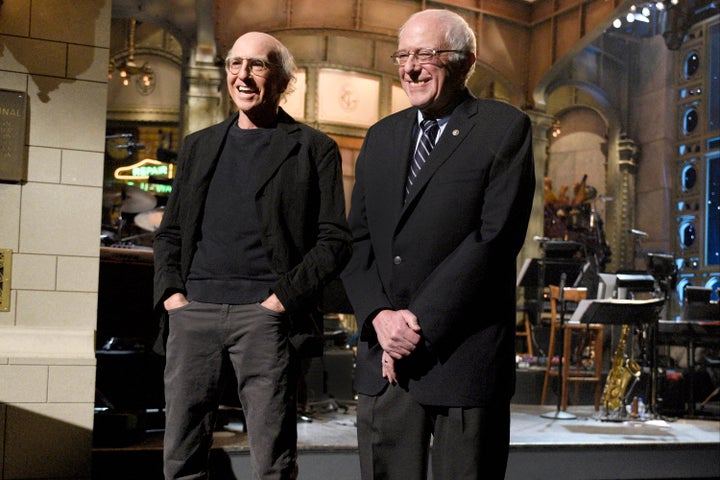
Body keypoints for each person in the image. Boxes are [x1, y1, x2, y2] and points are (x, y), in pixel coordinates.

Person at [341, 9, 535, 480]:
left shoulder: (504, 128)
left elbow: (494, 239)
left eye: (426, 55)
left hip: (463, 362)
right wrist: (380, 319)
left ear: (466, 62)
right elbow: (358, 242)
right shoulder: (380, 137)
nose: (410, 67)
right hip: (387, 367)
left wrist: (417, 325)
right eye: (403, 55)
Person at [153, 31, 352, 479]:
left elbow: (334, 240)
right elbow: (171, 233)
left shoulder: (313, 148)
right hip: (193, 312)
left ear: (282, 80)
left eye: (257, 65)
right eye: (235, 64)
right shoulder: (199, 145)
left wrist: (278, 302)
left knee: (272, 461)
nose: (243, 75)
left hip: (265, 317)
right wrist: (173, 297)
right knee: (180, 457)